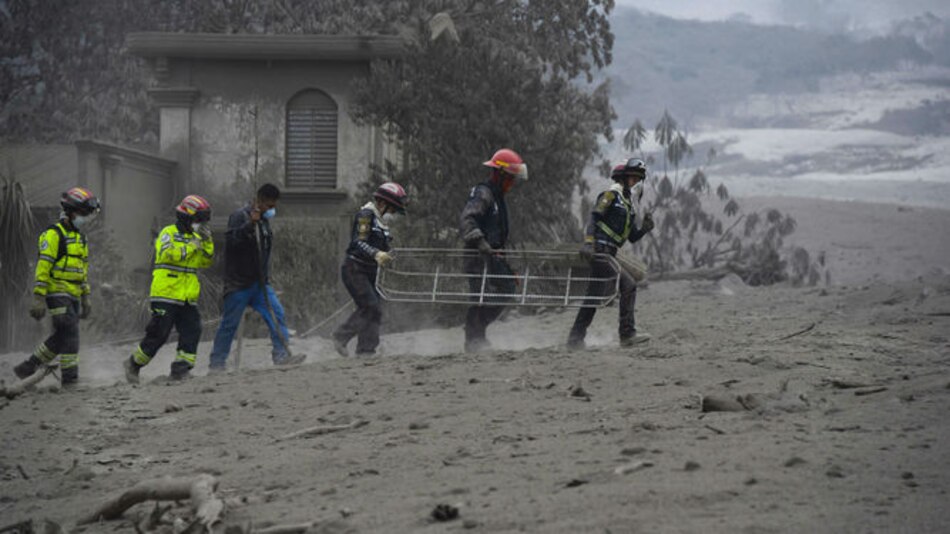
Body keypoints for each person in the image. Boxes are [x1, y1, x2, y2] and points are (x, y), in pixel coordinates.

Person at [207, 183, 305, 371]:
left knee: (277, 315)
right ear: (258, 200)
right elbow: (233, 242)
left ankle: (282, 356)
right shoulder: (239, 216)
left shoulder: (264, 221)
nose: (272, 210)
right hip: (238, 283)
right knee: (229, 325)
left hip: (260, 284)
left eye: (274, 206)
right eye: (269, 206)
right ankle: (217, 363)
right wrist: (249, 225)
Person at [14, 187, 100, 387]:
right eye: (83, 213)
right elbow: (43, 267)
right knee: (71, 334)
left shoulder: (81, 238)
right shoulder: (53, 235)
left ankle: (27, 367)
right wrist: (38, 297)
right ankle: (70, 380)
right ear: (71, 211)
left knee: (62, 336)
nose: (86, 218)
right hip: (56, 293)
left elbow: (82, 270)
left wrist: (86, 297)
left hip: (74, 294)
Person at [123, 195, 214, 383]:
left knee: (193, 330)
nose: (200, 224)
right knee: (159, 334)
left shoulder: (197, 238)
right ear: (186, 217)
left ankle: (180, 370)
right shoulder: (168, 232)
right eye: (199, 220)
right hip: (165, 293)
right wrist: (192, 246)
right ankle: (133, 364)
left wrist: (207, 242)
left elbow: (205, 261)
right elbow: (169, 254)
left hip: (187, 296)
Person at [567, 157, 655, 349]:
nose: (635, 181)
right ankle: (627, 334)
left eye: (638, 178)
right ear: (623, 177)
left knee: (592, 297)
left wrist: (645, 229)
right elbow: (594, 217)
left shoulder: (628, 206)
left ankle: (574, 339)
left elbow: (631, 237)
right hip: (599, 251)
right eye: (633, 177)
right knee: (629, 285)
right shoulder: (611, 195)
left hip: (610, 253)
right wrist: (588, 243)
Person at [458, 148, 528, 352]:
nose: (512, 184)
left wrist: (509, 265)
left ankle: (478, 330)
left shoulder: (499, 198)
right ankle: (474, 339)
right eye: (510, 179)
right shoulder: (483, 193)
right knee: (480, 296)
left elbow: (500, 235)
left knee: (508, 288)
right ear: (500, 175)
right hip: (477, 255)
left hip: (494, 256)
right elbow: (468, 219)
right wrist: (480, 242)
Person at [332, 182, 409, 357]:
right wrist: (376, 254)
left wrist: (388, 255)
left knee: (376, 310)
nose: (393, 214)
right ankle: (340, 336)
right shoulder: (366, 215)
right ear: (382, 203)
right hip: (354, 268)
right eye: (393, 209)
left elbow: (383, 247)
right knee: (370, 306)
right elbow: (358, 242)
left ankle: (366, 350)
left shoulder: (382, 223)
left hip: (370, 271)